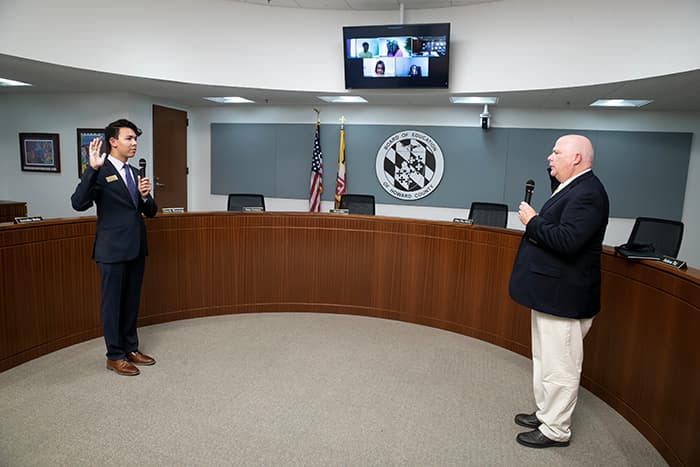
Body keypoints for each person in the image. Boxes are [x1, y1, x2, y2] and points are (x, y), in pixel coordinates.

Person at [508, 134, 609, 448]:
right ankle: (545, 413)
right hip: (550, 294)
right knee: (544, 360)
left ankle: (556, 430)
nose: (549, 157)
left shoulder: (589, 193)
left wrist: (533, 220)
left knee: (560, 366)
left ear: (577, 158)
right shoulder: (572, 187)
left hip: (564, 297)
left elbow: (568, 240)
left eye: (556, 152)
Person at [71, 119, 158, 376]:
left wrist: (145, 197)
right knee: (112, 304)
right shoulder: (99, 169)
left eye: (135, 139)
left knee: (131, 302)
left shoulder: (133, 172)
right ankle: (114, 355)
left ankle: (131, 347)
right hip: (111, 250)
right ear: (113, 141)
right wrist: (91, 169)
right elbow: (78, 203)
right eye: (129, 138)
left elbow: (150, 212)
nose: (134, 144)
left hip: (136, 247)